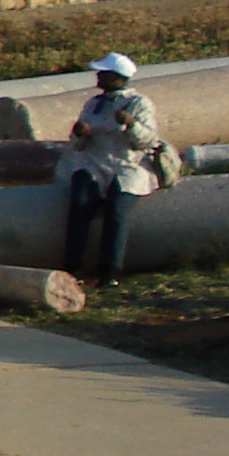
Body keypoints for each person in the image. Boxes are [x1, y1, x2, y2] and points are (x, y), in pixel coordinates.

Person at [63, 51, 162, 285]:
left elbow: (146, 141)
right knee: (79, 205)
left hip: (127, 165)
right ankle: (73, 267)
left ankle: (110, 271)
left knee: (117, 211)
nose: (98, 76)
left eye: (103, 73)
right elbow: (78, 146)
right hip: (95, 164)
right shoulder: (94, 104)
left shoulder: (139, 103)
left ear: (118, 77)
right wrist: (79, 135)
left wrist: (132, 125)